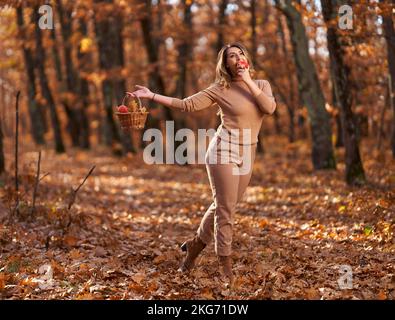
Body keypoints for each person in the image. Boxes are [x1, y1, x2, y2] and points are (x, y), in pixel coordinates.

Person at [127, 42, 276, 287]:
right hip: (222, 150)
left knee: (223, 205)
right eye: (231, 56)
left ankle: (194, 248)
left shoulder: (261, 85)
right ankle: (225, 268)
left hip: (248, 152)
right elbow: (186, 104)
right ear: (225, 64)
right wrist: (151, 95)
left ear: (246, 59)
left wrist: (248, 80)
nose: (237, 58)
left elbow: (269, 108)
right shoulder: (220, 88)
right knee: (227, 210)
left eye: (240, 54)